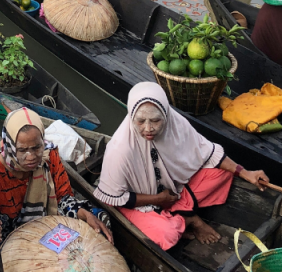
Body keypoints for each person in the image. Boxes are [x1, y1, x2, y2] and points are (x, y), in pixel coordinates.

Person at [95, 82, 269, 249]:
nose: (148, 128)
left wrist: (245, 173)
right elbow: (115, 197)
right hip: (139, 204)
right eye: (140, 121)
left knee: (223, 171)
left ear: (166, 114)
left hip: (173, 193)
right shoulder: (119, 149)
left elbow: (209, 153)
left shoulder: (176, 123)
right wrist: (157, 199)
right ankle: (188, 219)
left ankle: (177, 213)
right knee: (165, 235)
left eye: (155, 120)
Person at [0, 108, 112, 262]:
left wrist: (85, 214)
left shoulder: (49, 156)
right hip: (9, 230)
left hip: (45, 217)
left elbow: (62, 198)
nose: (31, 156)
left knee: (98, 217)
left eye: (36, 147)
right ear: (10, 146)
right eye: (22, 150)